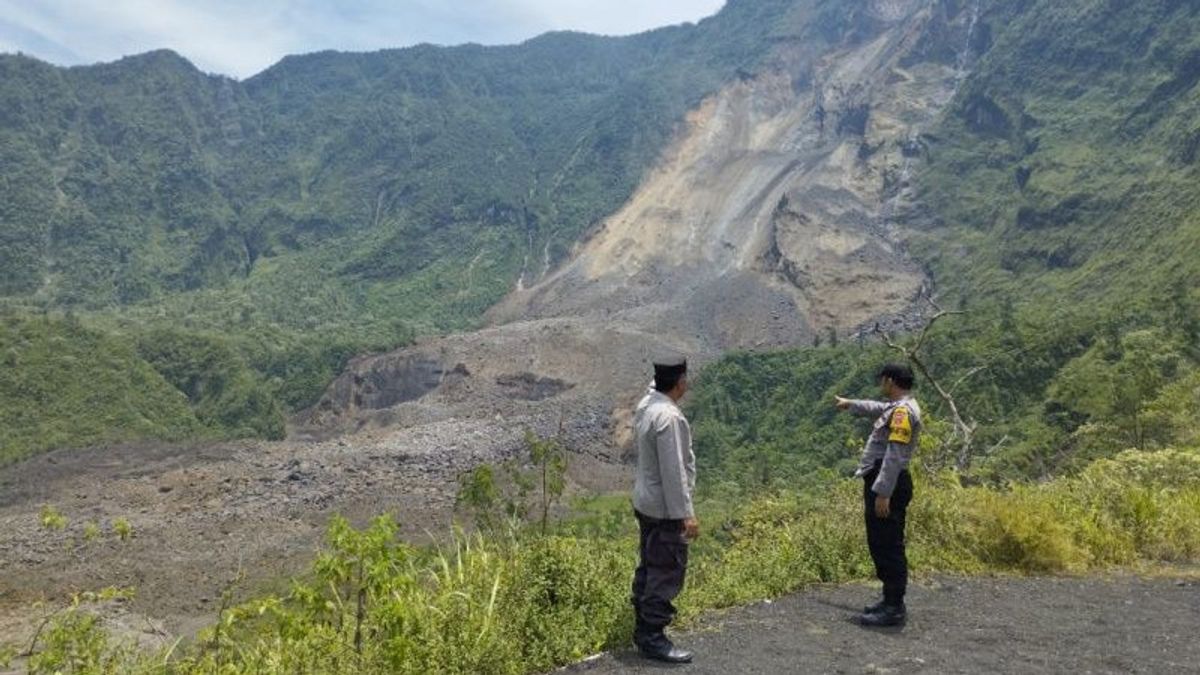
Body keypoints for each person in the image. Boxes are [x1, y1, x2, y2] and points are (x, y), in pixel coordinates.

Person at [835, 363, 922, 627]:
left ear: (890, 381)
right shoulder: (896, 407)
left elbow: (894, 454)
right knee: (881, 541)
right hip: (886, 482)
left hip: (888, 484)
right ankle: (889, 599)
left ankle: (894, 608)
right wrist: (851, 403)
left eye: (883, 380)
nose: (881, 384)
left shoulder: (902, 413)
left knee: (888, 545)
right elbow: (876, 407)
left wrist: (883, 492)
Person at [630, 355, 699, 663]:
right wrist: (687, 514)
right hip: (664, 509)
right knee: (667, 570)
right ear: (680, 383)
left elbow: (652, 387)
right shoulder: (669, 418)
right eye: (685, 379)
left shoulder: (648, 404)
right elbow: (675, 473)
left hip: (645, 502)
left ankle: (642, 626)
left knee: (649, 564)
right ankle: (652, 637)